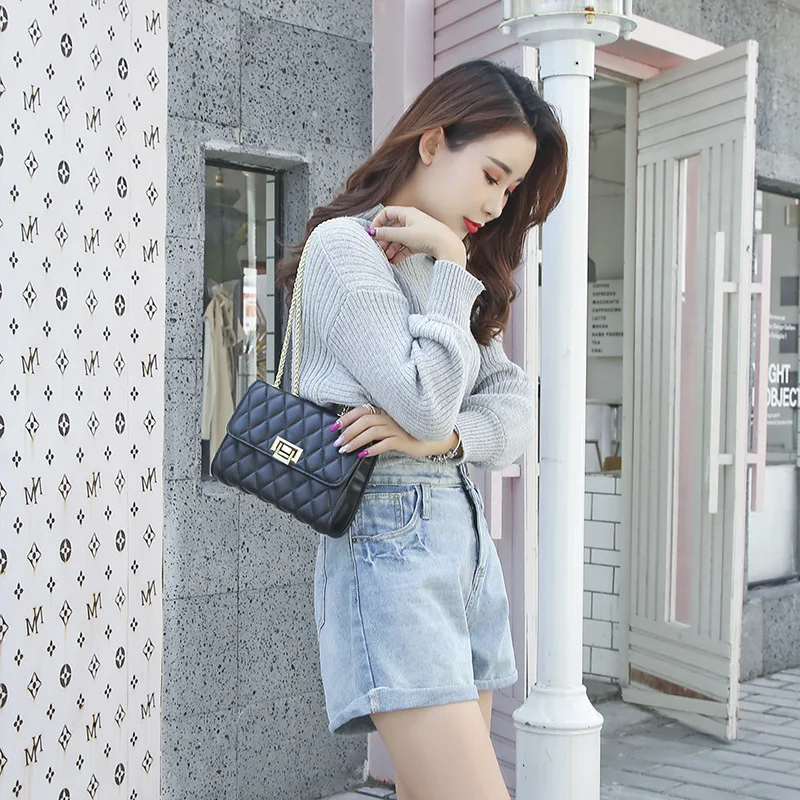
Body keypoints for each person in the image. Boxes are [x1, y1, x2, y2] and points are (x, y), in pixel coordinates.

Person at [275, 59, 568, 800]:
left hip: (463, 547)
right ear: (433, 141)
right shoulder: (345, 249)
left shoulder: (444, 269)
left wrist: (444, 442)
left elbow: (513, 409)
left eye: (511, 190)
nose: (497, 205)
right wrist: (451, 261)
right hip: (391, 545)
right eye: (493, 176)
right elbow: (424, 400)